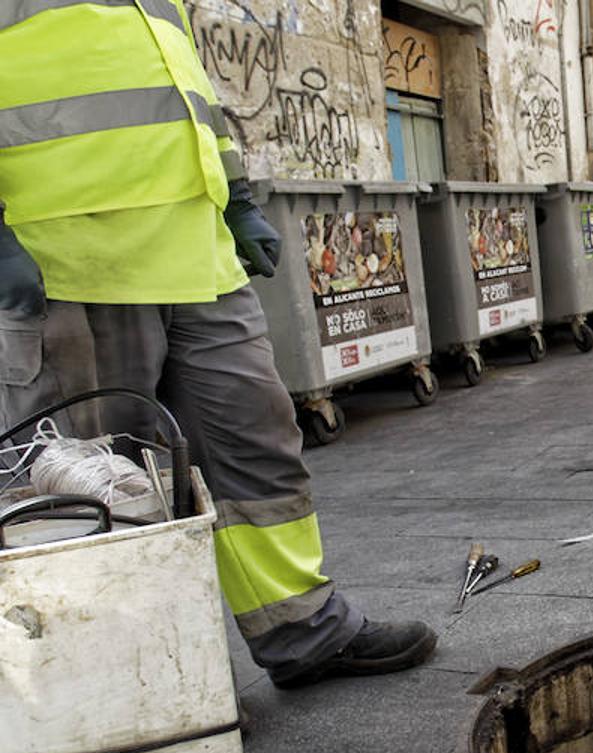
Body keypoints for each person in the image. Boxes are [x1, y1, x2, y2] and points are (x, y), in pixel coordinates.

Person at [0, 1, 435, 688]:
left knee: (256, 443)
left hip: (198, 254)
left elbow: (189, 100)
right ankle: (149, 682)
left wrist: (235, 198)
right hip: (65, 263)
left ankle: (303, 631)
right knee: (105, 485)